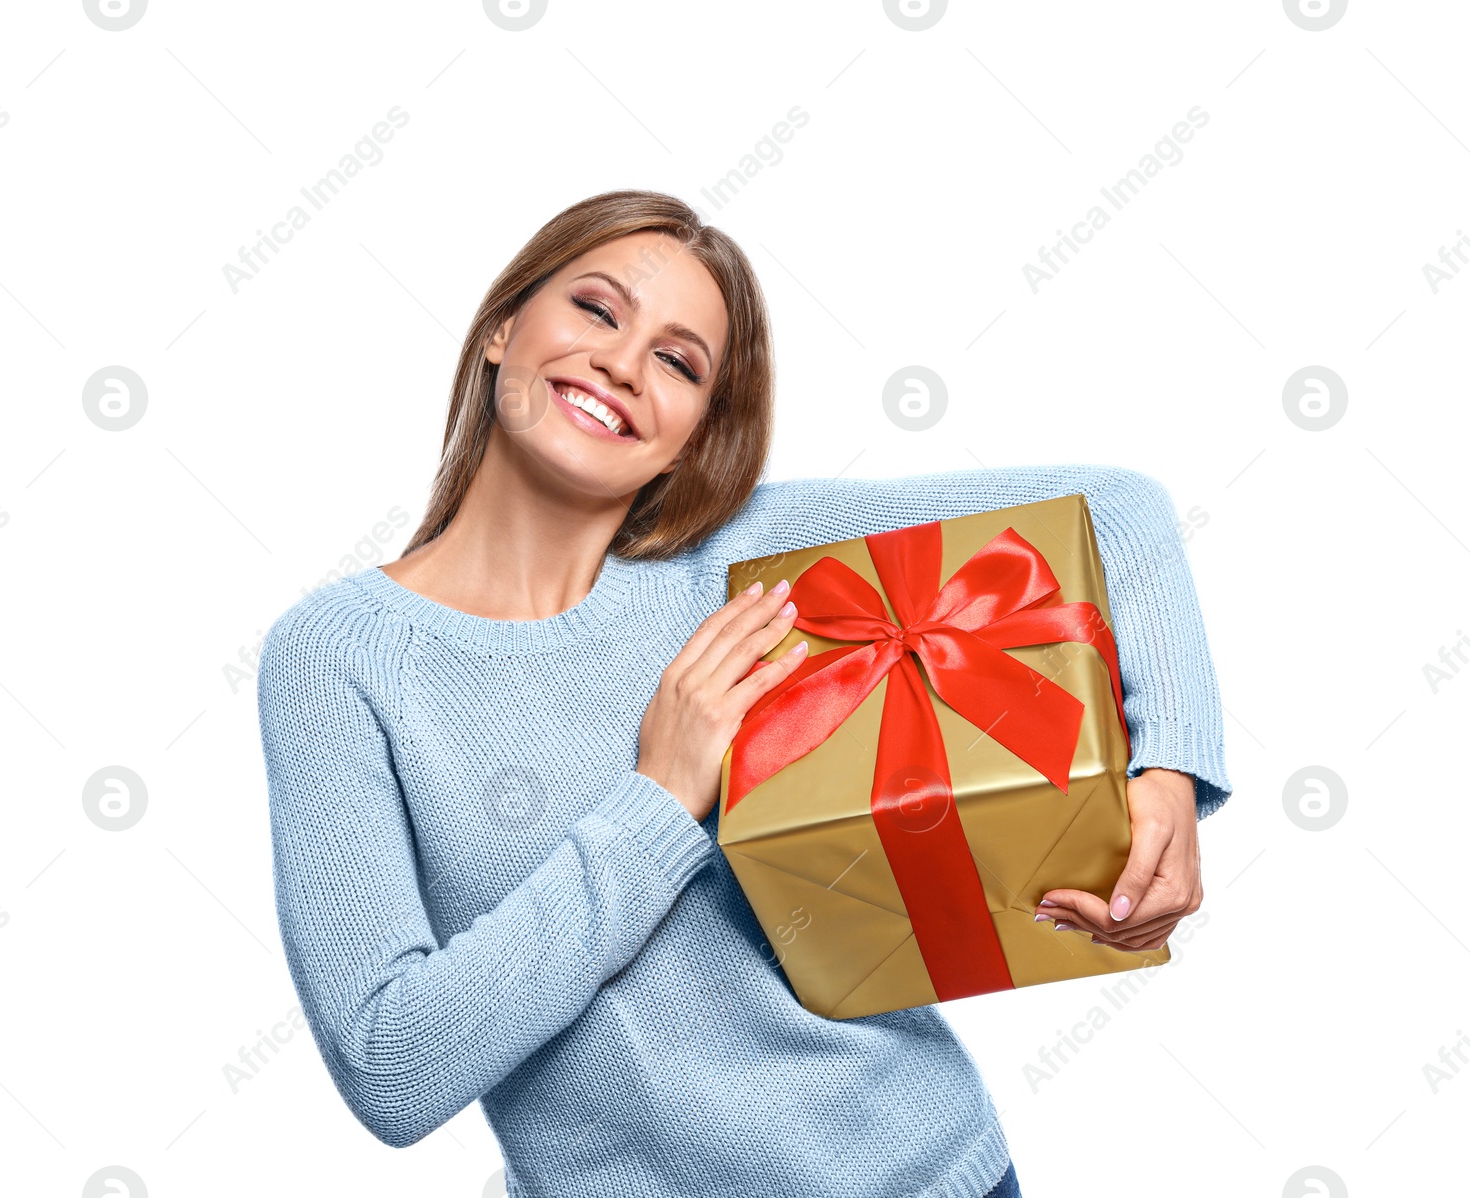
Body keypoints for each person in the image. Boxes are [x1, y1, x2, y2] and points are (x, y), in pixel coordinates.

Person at [254, 189, 1231, 1198]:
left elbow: (1119, 517)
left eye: (679, 362)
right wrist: (659, 796)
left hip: (932, 1173)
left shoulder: (748, 563)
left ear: (692, 434)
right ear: (503, 327)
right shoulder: (341, 658)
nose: (624, 364)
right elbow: (390, 1064)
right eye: (597, 310)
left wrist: (1168, 776)